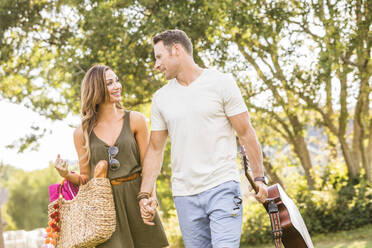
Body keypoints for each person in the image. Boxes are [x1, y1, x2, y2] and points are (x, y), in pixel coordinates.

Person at [138, 29, 268, 248]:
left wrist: (259, 178)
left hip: (223, 186)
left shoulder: (221, 83)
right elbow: (155, 149)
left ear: (176, 49)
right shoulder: (161, 98)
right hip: (184, 195)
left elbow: (246, 132)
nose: (156, 64)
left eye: (159, 57)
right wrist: (144, 194)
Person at [54, 64, 168, 248]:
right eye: (109, 83)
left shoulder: (135, 120)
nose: (117, 86)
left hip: (137, 198)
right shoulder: (81, 133)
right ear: (96, 89)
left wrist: (149, 198)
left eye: (117, 80)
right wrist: (66, 174)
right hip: (106, 209)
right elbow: (86, 179)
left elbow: (148, 166)